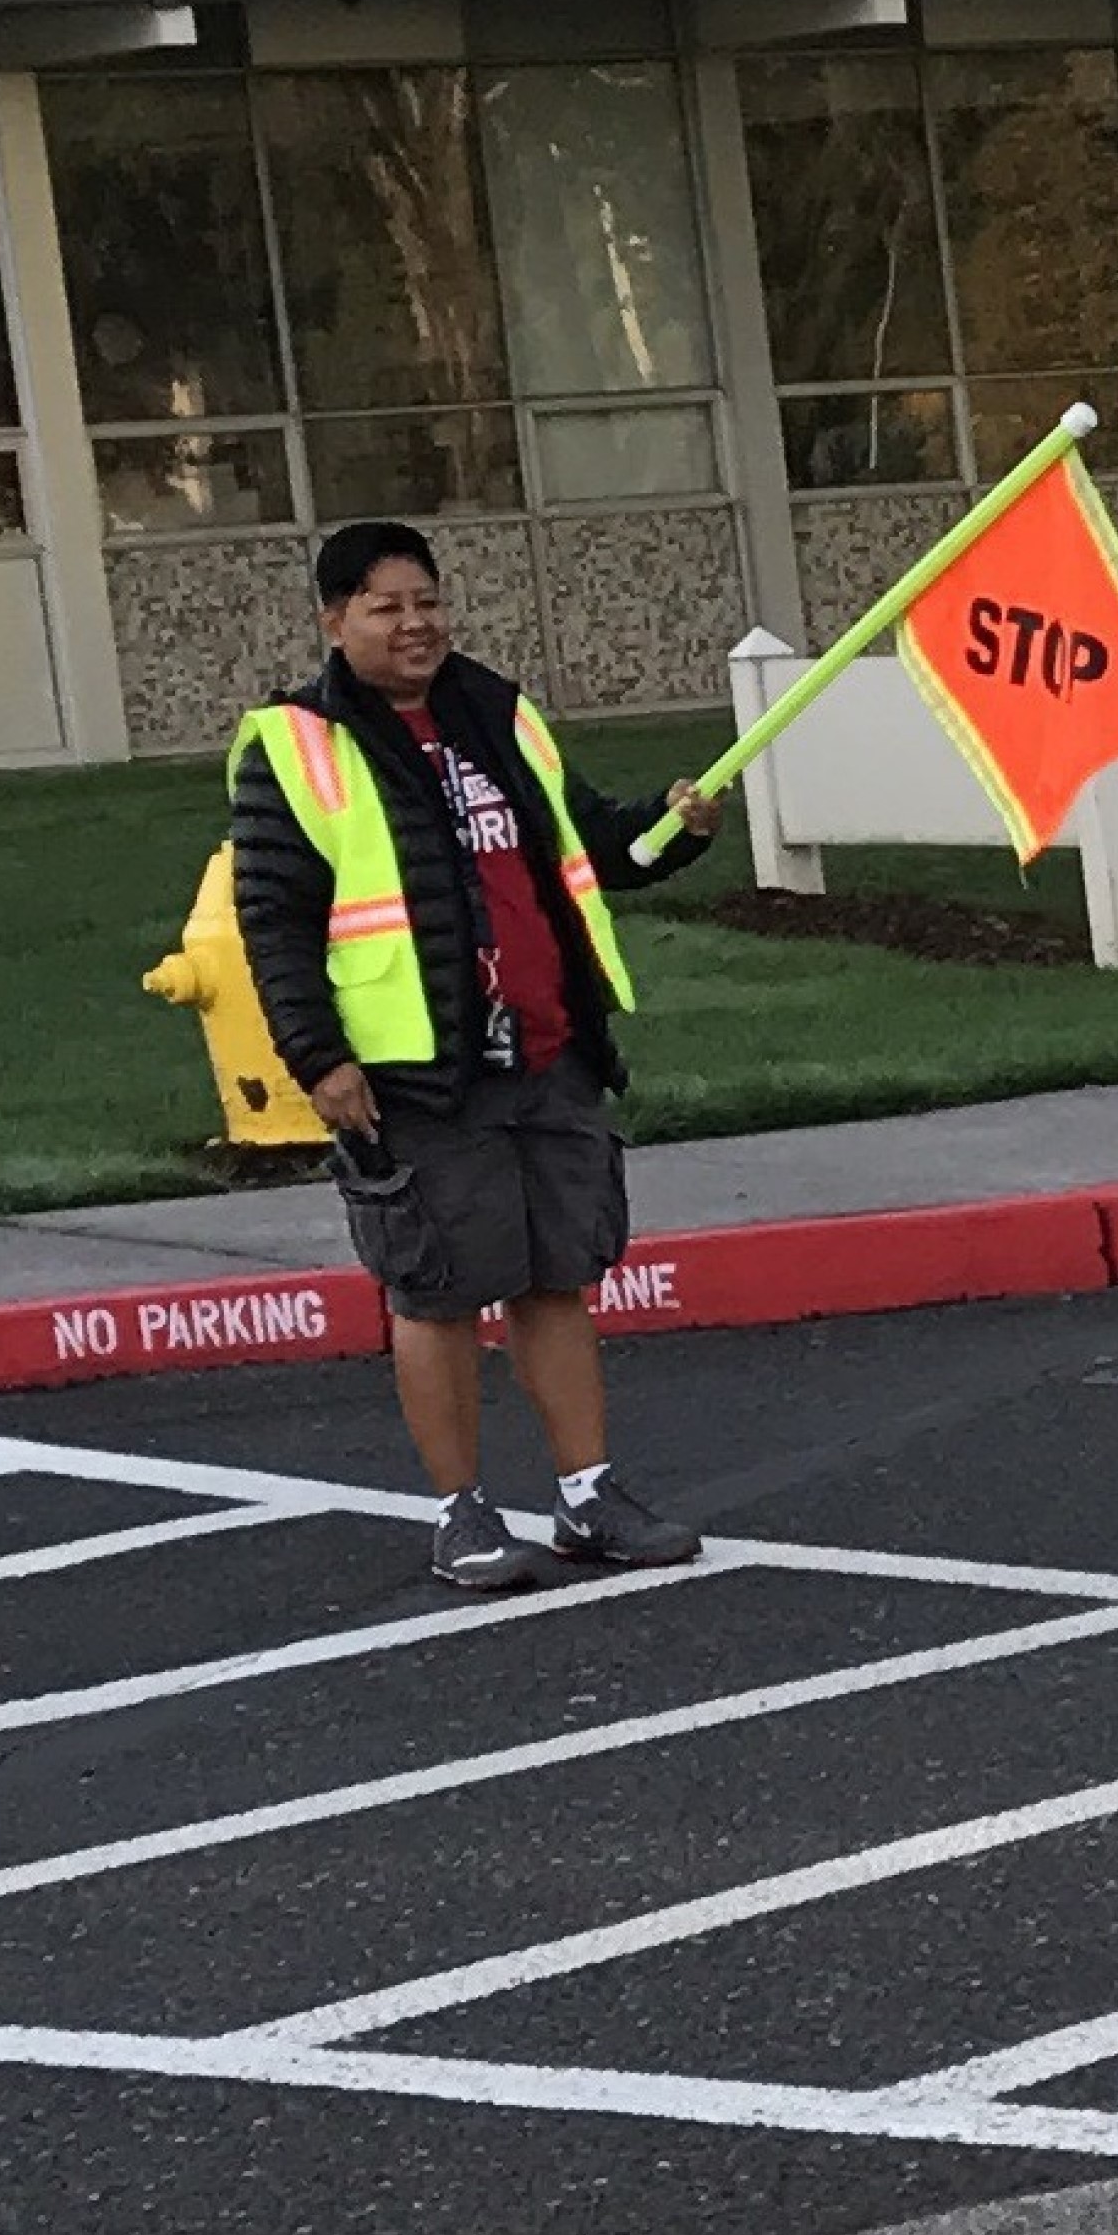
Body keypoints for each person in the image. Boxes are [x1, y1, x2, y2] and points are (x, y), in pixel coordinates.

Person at [229, 519, 725, 1593]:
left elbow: (588, 842)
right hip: (412, 1071)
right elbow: (271, 917)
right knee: (439, 1292)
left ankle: (587, 1494)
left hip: (546, 1048)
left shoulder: (499, 713)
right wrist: (318, 1056)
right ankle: (462, 1513)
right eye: (385, 606)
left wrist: (674, 828)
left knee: (555, 1279)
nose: (416, 624)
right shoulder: (298, 744)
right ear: (334, 620)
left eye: (428, 601)